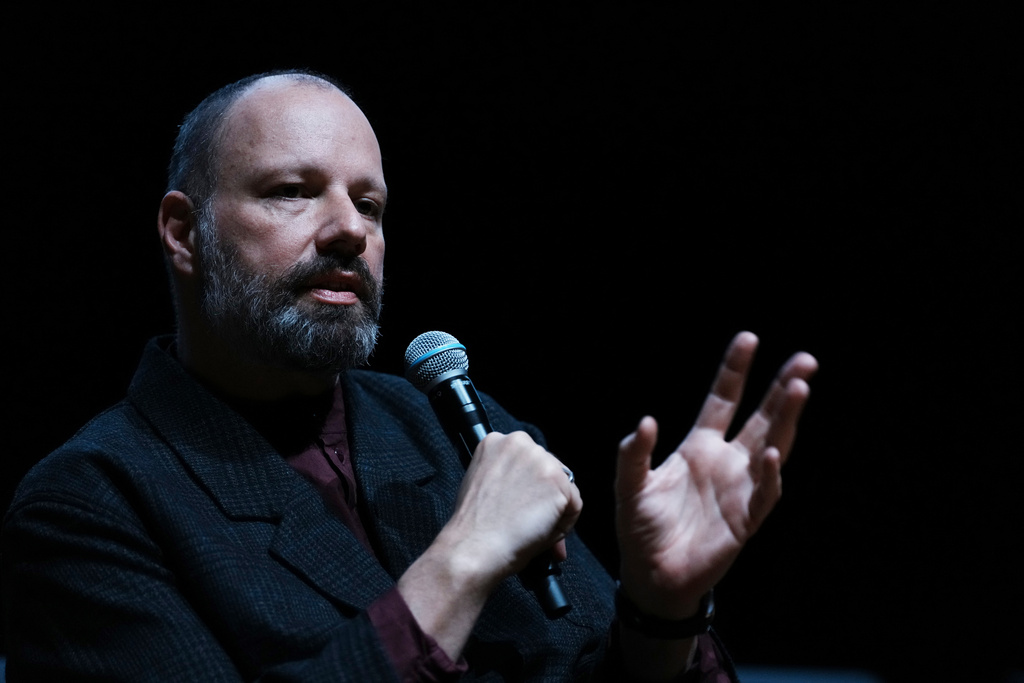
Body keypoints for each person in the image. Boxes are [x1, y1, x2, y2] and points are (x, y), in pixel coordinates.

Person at [1, 70, 818, 681]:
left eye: (371, 205)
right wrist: (459, 560)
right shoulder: (88, 503)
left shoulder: (445, 421)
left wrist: (660, 610)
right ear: (183, 233)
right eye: (293, 191)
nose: (349, 231)